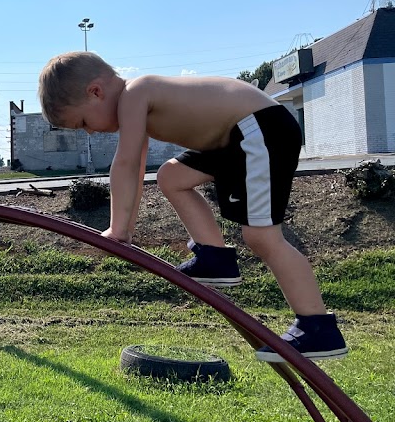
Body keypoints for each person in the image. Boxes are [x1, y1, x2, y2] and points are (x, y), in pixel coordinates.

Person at [37, 50, 347, 362]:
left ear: (96, 91)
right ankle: (215, 257)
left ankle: (318, 328)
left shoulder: (135, 93)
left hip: (260, 128)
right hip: (234, 137)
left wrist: (117, 231)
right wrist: (125, 233)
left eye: (83, 123)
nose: (90, 131)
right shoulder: (136, 101)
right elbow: (137, 164)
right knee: (171, 176)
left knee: (263, 237)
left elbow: (127, 162)